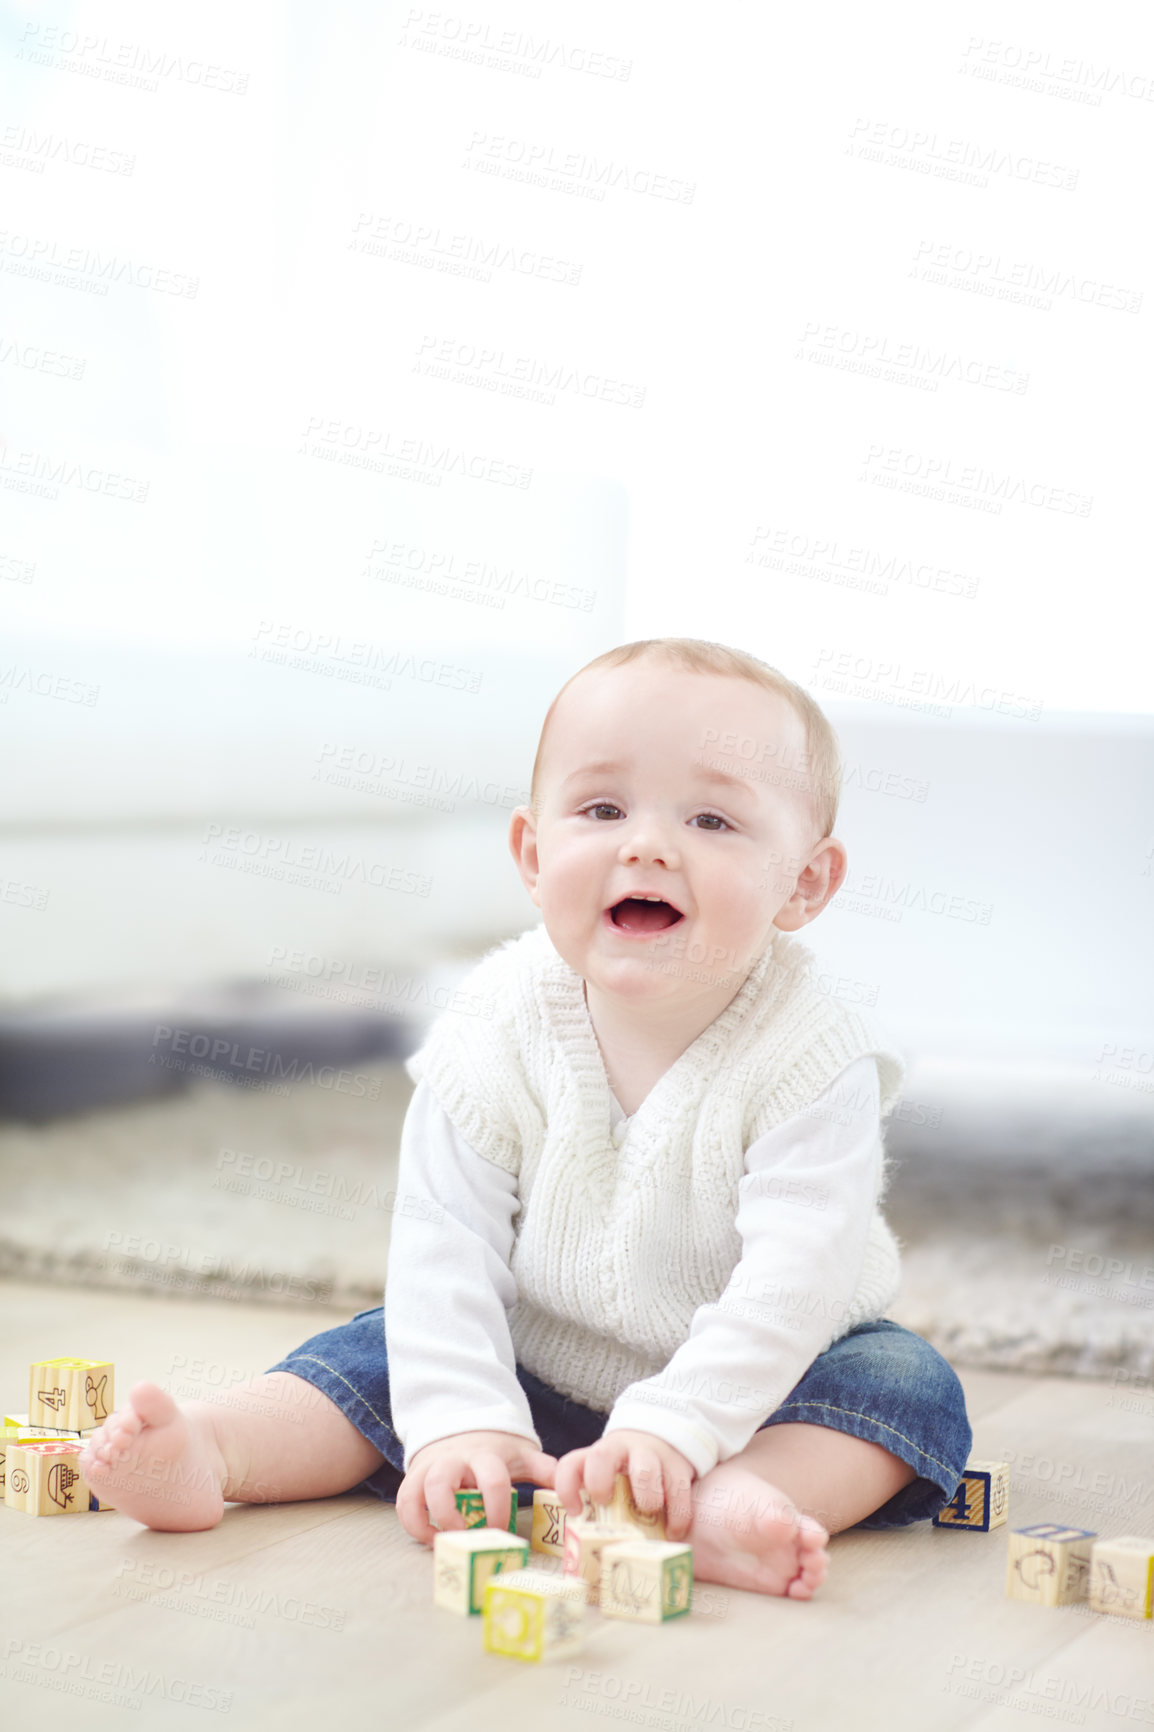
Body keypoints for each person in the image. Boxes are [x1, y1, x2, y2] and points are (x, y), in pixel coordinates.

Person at [80, 637, 971, 1599]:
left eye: (712, 818)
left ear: (805, 883)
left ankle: (730, 1500)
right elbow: (444, 1240)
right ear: (534, 856)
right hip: (533, 1360)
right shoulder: (494, 1020)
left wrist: (676, 1426)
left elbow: (798, 1277)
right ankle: (216, 1451)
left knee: (906, 1387)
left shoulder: (813, 1049)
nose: (647, 845)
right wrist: (463, 1417)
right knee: (387, 1345)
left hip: (766, 1384)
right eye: (601, 809)